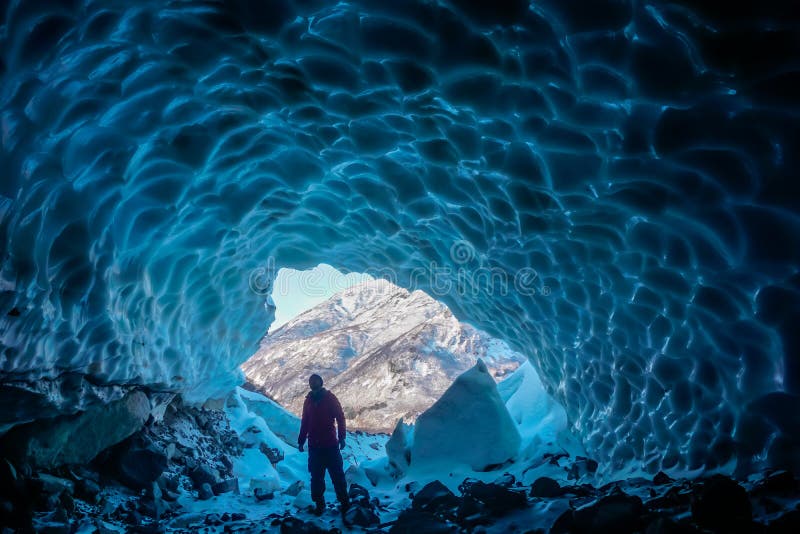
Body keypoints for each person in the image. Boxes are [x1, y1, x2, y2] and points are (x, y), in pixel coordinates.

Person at [298, 374, 350, 516]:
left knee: (337, 476)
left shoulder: (330, 398)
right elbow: (305, 422)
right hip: (314, 447)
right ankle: (319, 505)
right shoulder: (308, 401)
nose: (313, 383)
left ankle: (345, 503)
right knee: (316, 478)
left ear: (321, 382)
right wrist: (301, 440)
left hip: (330, 445)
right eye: (311, 381)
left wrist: (342, 437)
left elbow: (340, 418)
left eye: (315, 381)